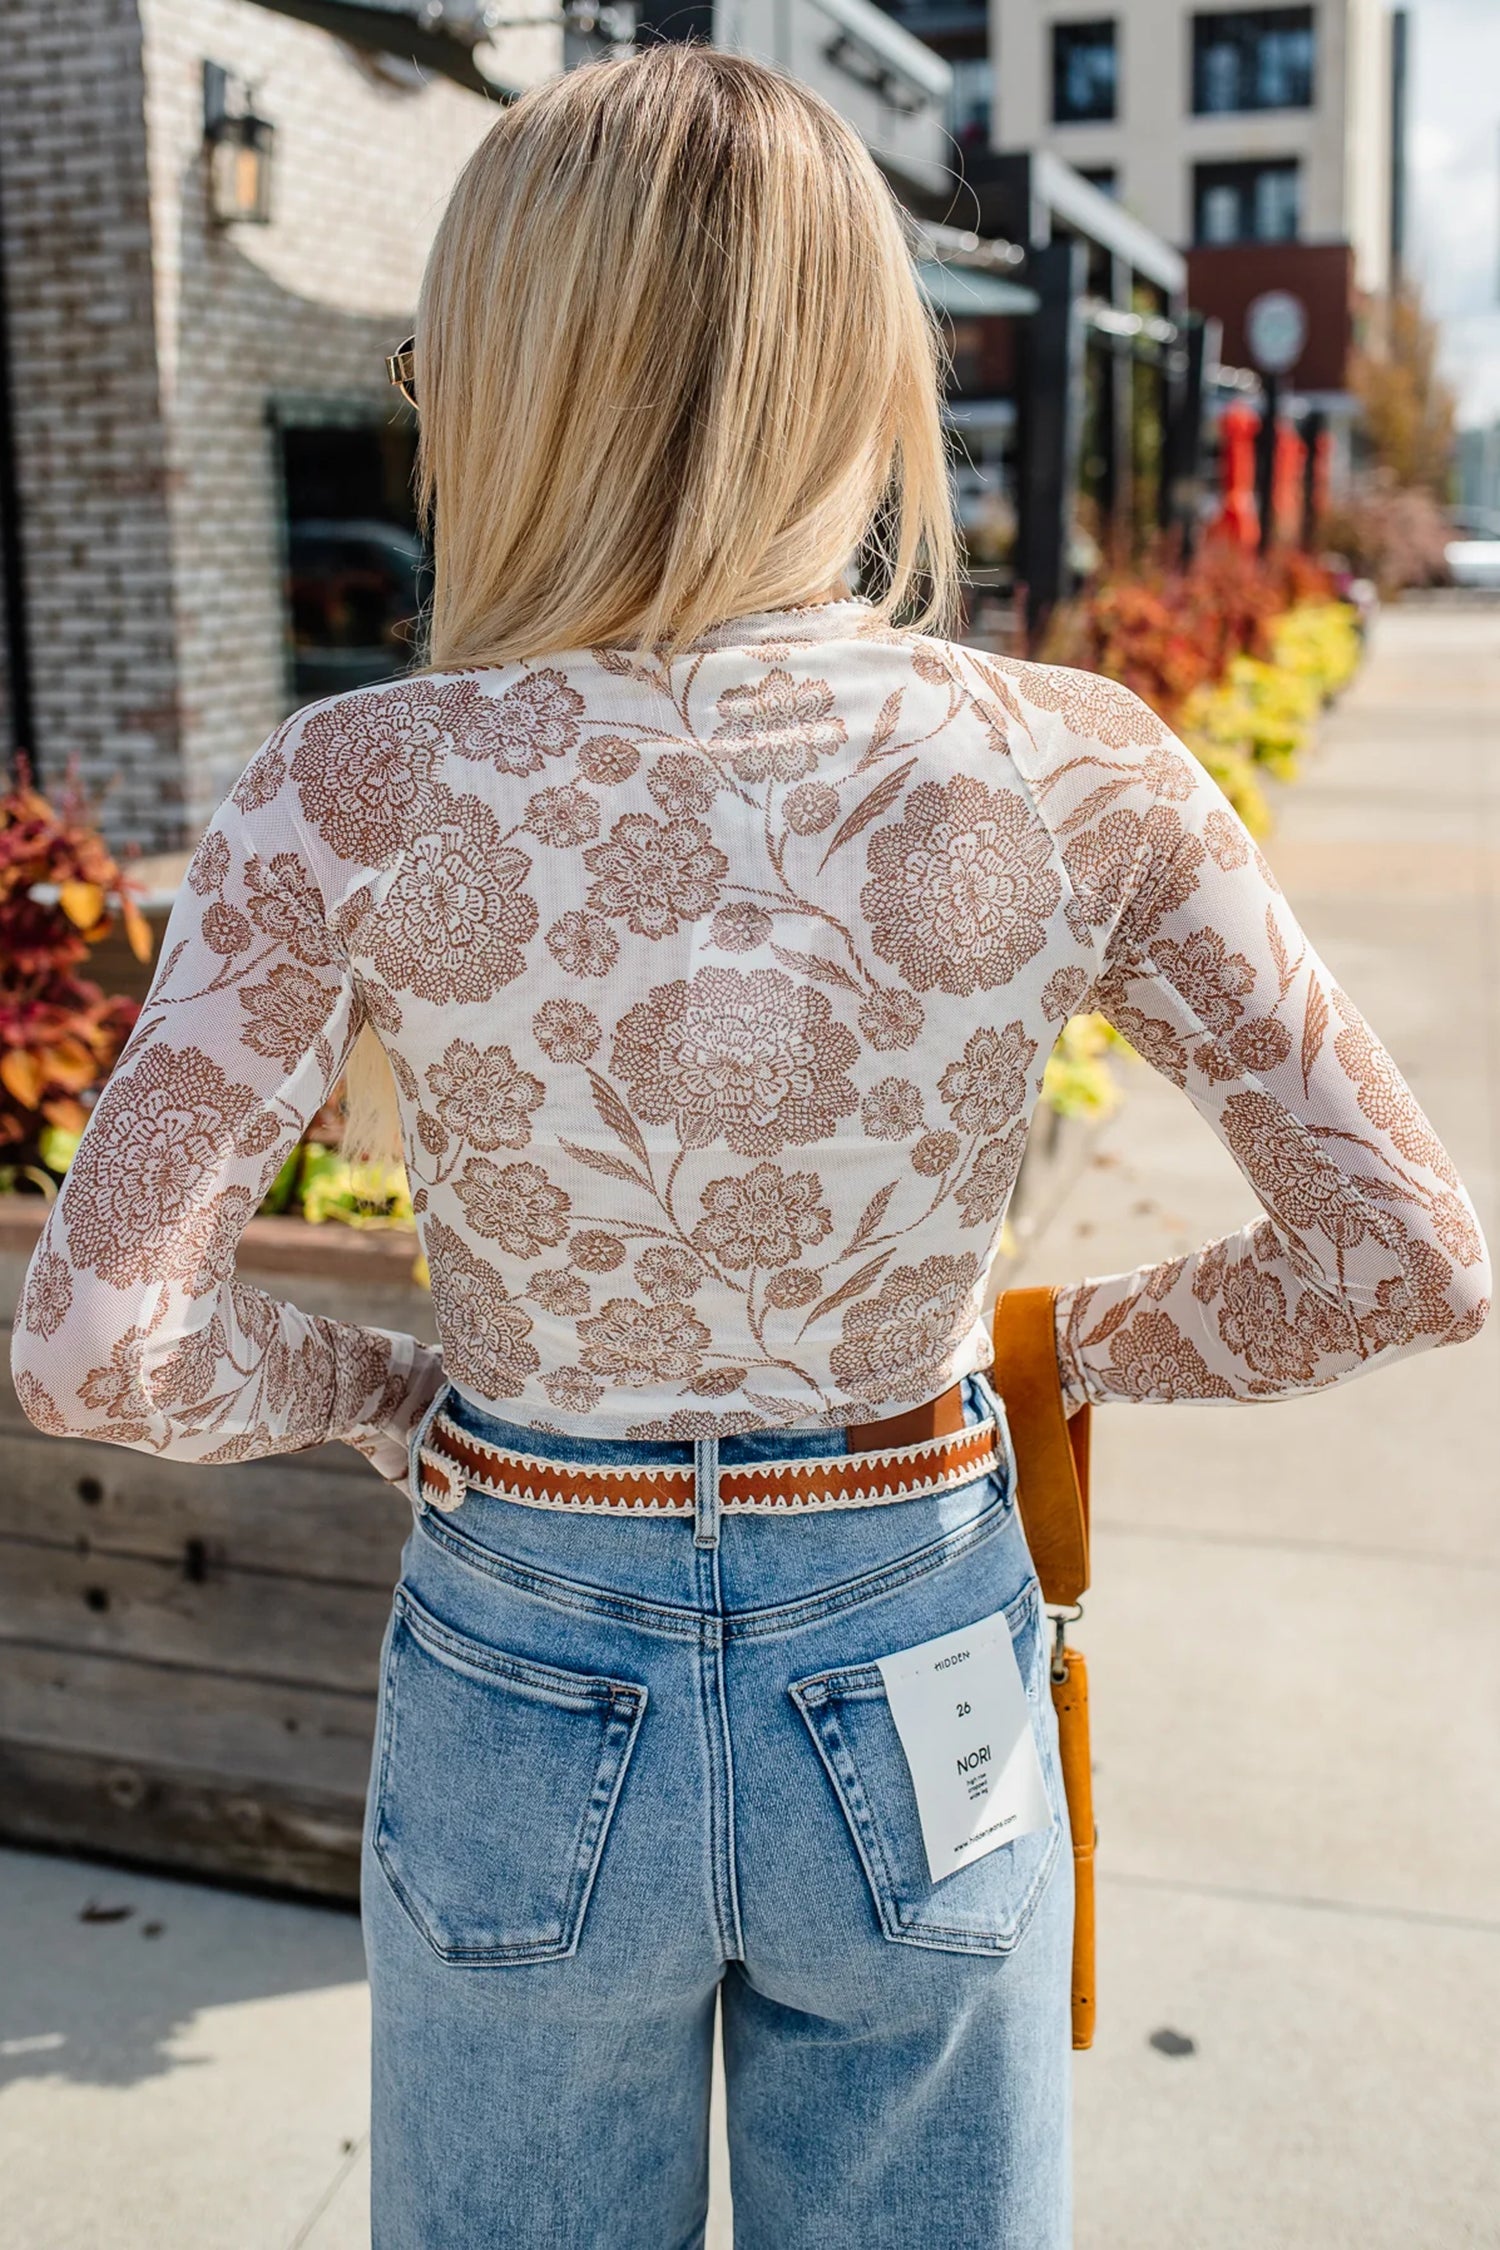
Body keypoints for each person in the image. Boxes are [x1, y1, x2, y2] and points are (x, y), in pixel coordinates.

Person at [11, 46, 1488, 2250]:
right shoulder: (1081, 770)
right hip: (917, 1637)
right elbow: (1406, 1253)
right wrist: (1056, 1343)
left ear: (505, 386)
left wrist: (383, 1394)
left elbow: (96, 1349)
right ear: (863, 375)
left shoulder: (356, 791)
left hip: (527, 1636)